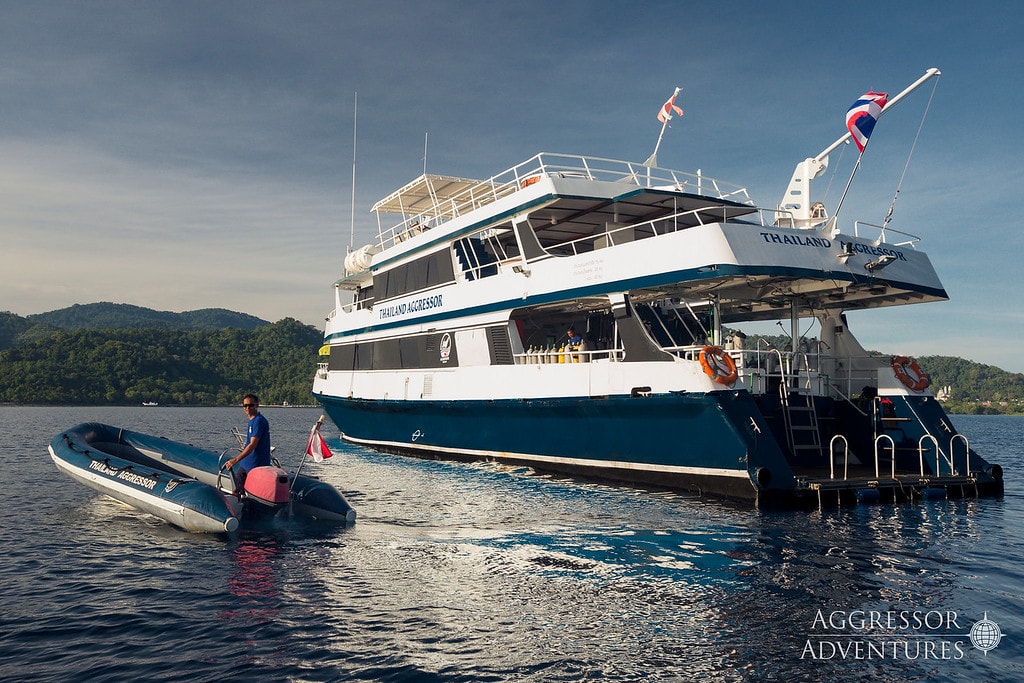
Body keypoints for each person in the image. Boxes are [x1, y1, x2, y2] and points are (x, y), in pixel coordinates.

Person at [225, 393, 271, 491]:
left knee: (251, 492)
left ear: (256, 405)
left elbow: (253, 444)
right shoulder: (252, 421)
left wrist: (235, 460)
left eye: (251, 405)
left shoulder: (259, 421)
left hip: (256, 465)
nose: (248, 408)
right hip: (246, 463)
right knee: (236, 490)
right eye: (245, 405)